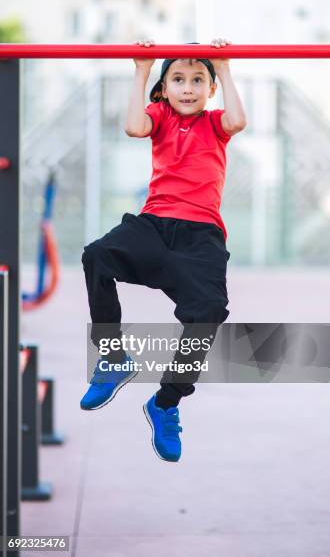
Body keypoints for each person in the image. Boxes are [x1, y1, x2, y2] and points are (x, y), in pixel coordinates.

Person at [80, 38, 247, 462]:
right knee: (96, 255)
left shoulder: (214, 123)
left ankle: (167, 402)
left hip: (201, 236)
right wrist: (140, 70)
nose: (188, 87)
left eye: (198, 80)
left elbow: (238, 120)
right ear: (164, 89)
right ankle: (113, 356)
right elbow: (134, 128)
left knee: (208, 311)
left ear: (210, 89)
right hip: (154, 225)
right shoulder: (160, 115)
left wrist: (225, 68)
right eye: (178, 79)